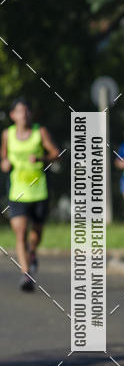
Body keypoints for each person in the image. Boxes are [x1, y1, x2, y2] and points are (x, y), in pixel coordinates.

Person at [1, 97, 60, 291]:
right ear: (12, 115)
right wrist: (5, 164)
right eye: (19, 111)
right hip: (17, 191)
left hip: (39, 190)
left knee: (36, 233)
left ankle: (32, 251)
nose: (24, 115)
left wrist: (41, 158)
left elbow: (56, 153)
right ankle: (26, 274)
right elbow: (3, 158)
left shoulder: (39, 132)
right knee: (20, 233)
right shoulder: (7, 135)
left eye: (26, 111)